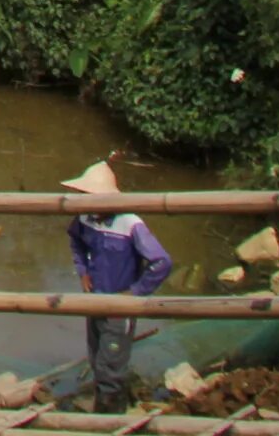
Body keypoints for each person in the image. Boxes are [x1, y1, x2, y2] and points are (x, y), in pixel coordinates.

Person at [62, 159, 172, 411]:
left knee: (110, 364)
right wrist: (83, 272)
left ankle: (110, 414)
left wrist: (134, 294)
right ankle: (105, 406)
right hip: (94, 300)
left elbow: (161, 261)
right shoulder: (84, 219)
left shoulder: (130, 223)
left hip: (120, 307)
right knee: (96, 356)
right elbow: (76, 242)